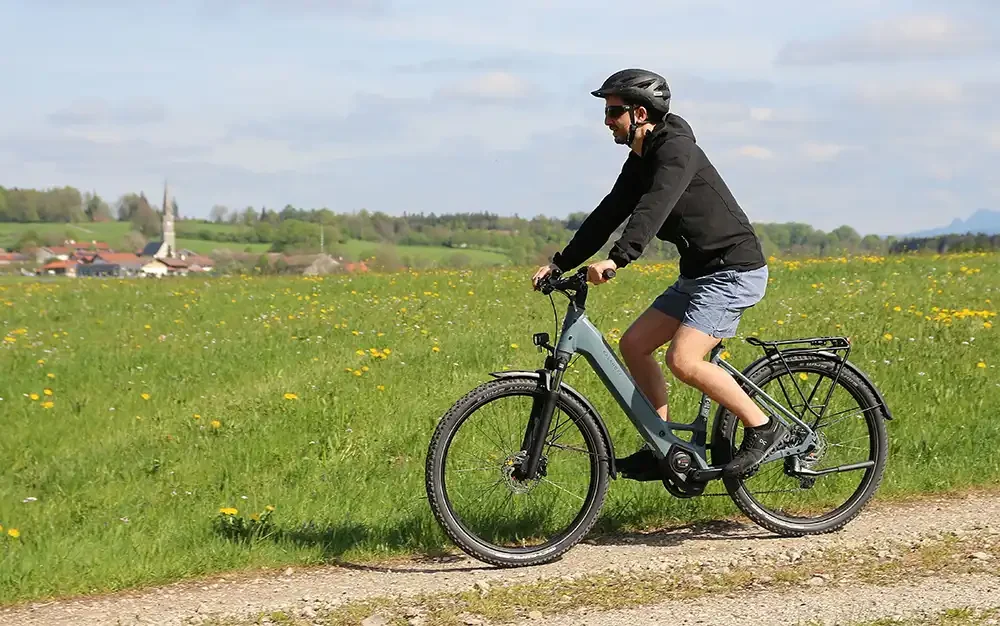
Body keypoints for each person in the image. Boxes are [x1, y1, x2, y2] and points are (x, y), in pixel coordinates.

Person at [531, 68, 785, 479]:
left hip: (734, 270)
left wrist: (618, 258)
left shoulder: (675, 152)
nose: (607, 121)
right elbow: (609, 213)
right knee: (633, 344)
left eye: (613, 111)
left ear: (641, 113)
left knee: (683, 360)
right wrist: (561, 263)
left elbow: (655, 208)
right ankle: (661, 443)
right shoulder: (641, 157)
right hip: (699, 274)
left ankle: (764, 427)